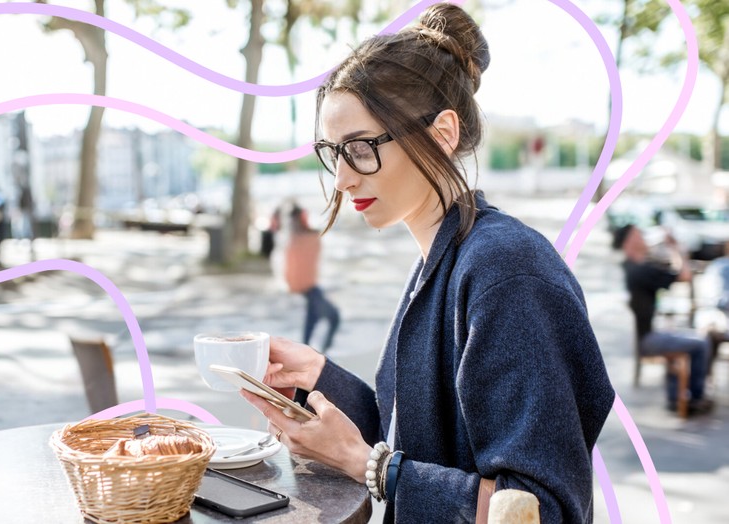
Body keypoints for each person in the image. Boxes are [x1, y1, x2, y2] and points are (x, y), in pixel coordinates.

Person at [237, 4, 615, 522]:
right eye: (334, 152)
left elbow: (539, 508)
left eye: (363, 148)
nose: (344, 179)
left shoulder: (505, 272)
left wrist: (360, 461)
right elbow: (420, 440)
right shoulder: (448, 256)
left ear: (442, 133)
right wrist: (322, 380)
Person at [612, 224, 713, 413]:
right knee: (702, 342)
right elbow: (685, 275)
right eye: (639, 234)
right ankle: (695, 399)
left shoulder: (629, 267)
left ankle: (676, 396)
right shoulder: (640, 271)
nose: (644, 237)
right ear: (630, 241)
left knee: (677, 334)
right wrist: (675, 247)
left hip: (645, 335)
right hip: (649, 339)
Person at [276, 201, 341, 352]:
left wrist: (292, 285)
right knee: (333, 317)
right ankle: (318, 350)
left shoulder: (294, 239)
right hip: (309, 287)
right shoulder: (304, 238)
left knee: (312, 319)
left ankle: (308, 349)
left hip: (305, 287)